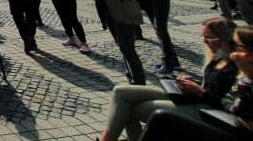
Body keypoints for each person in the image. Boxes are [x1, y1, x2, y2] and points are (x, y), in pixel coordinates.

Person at [99, 17, 238, 141]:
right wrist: (192, 82)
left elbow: (225, 103)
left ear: (222, 38)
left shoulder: (235, 66)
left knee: (133, 110)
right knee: (121, 91)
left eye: (208, 37)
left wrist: (200, 92)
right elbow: (211, 85)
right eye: (203, 36)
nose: (204, 41)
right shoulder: (216, 57)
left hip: (206, 110)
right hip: (191, 97)